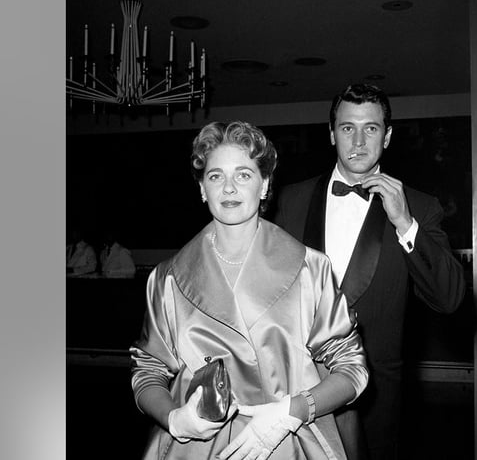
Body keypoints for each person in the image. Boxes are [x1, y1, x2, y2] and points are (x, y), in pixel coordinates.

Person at [130, 121, 369, 460]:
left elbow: (352, 369)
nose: (228, 188)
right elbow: (148, 371)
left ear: (265, 184)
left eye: (243, 175)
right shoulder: (167, 277)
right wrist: (173, 418)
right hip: (197, 447)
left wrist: (293, 410)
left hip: (287, 441)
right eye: (215, 176)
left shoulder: (309, 268)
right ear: (202, 188)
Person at [273, 84, 466, 460]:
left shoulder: (420, 207)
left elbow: (450, 298)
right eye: (347, 128)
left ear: (388, 136)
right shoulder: (290, 200)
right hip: (296, 392)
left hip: (375, 399)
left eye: (371, 129)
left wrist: (404, 223)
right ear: (331, 133)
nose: (359, 141)